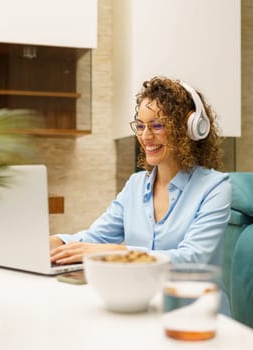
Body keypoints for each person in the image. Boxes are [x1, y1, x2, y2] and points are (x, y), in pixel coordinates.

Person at [50, 76, 231, 313]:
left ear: (187, 129)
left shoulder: (215, 187)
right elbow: (97, 239)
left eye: (157, 125)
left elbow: (192, 259)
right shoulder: (135, 185)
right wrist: (57, 243)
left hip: (196, 315)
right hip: (144, 310)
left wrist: (120, 253)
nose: (145, 136)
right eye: (140, 125)